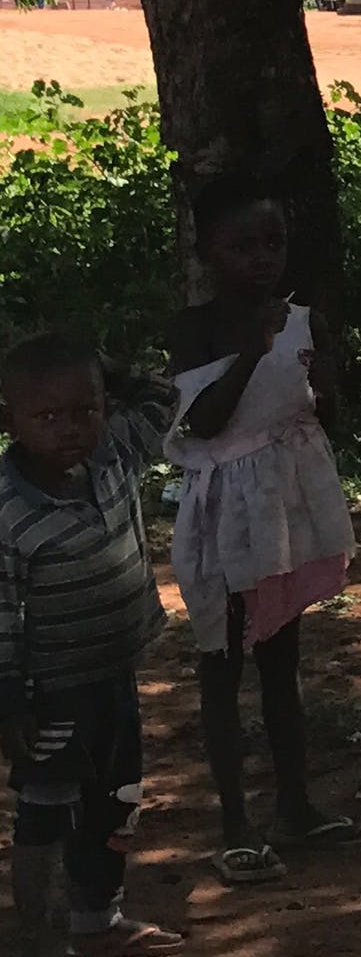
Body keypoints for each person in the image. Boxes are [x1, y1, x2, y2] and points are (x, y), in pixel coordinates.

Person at [165, 175, 361, 886]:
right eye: (242, 245)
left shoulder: (304, 320)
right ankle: (234, 825)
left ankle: (295, 807)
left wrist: (328, 381)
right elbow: (204, 422)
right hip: (225, 516)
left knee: (282, 660)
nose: (262, 258)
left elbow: (319, 409)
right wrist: (255, 350)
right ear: (207, 252)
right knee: (222, 665)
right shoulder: (195, 330)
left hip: (284, 511)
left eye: (273, 243)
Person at [0, 334, 185, 955]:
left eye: (86, 409)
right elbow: (1, 614)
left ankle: (97, 920)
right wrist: (9, 699)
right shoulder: (7, 512)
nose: (70, 428)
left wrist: (107, 367)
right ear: (10, 420)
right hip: (50, 694)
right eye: (47, 416)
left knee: (117, 802)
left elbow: (166, 399)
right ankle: (39, 934)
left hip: (115, 675)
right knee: (47, 811)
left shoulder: (114, 453)